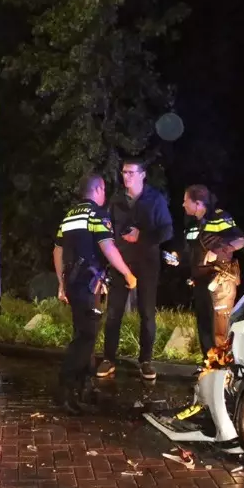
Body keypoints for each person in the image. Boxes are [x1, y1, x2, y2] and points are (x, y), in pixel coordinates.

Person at [52, 173, 138, 413]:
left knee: (82, 333)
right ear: (98, 189)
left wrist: (61, 283)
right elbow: (107, 245)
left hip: (73, 282)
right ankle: (66, 391)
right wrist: (128, 274)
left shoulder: (70, 215)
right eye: (104, 191)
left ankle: (83, 389)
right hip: (88, 283)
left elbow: (57, 251)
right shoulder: (96, 214)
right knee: (85, 337)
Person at [96, 157, 174, 381]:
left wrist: (142, 236)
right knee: (113, 313)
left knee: (147, 314)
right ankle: (108, 359)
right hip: (120, 263)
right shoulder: (116, 200)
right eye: (124, 172)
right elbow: (106, 231)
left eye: (131, 172)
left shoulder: (155, 199)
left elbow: (167, 231)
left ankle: (146, 361)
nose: (126, 176)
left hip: (147, 264)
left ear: (142, 175)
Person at [177, 183, 244, 358]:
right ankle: (208, 364)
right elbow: (191, 252)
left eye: (186, 201)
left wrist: (218, 250)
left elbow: (241, 239)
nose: (183, 204)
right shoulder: (191, 224)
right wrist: (177, 259)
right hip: (200, 282)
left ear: (198, 203)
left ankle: (223, 368)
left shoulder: (219, 217)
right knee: (204, 326)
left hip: (220, 282)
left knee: (220, 329)